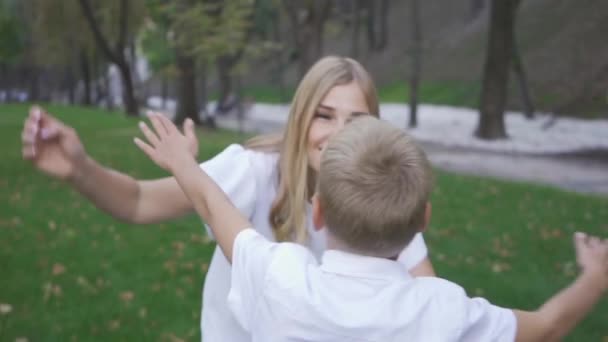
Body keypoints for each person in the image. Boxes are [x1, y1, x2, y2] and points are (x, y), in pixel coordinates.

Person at [20, 56, 435, 341]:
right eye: (324, 116)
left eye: (356, 121)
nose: (338, 134)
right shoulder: (253, 171)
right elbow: (138, 201)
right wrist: (79, 168)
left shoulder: (382, 203)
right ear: (300, 116)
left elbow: (427, 303)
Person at [136, 113, 608, 341]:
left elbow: (214, 206)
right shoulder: (443, 313)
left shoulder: (281, 281)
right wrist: (595, 277)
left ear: (316, 213)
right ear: (422, 221)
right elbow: (548, 327)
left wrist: (182, 160)